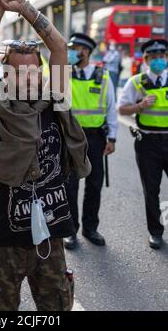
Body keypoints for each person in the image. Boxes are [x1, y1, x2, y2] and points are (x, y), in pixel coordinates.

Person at [0, 0, 91, 311]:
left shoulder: (54, 98)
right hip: (5, 237)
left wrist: (24, 8)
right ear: (5, 76)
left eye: (33, 72)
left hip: (50, 234)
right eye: (20, 72)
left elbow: (58, 48)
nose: (29, 78)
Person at [64, 34, 117, 250]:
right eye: (70, 48)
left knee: (94, 184)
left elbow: (111, 109)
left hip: (96, 137)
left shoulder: (103, 76)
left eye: (75, 48)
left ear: (86, 52)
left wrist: (112, 137)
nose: (71, 52)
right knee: (70, 186)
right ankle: (70, 231)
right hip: (71, 137)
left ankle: (90, 228)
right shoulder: (64, 74)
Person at [118, 39, 168, 250]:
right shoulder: (136, 82)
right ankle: (155, 232)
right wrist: (139, 105)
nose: (158, 60)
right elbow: (122, 109)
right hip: (148, 142)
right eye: (153, 57)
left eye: (161, 56)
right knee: (151, 190)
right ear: (146, 60)